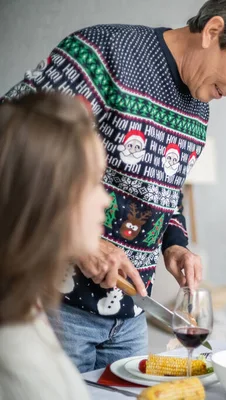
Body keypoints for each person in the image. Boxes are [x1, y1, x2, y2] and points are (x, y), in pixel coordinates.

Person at [1, 0, 226, 372]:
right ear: (213, 32)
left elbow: (165, 193)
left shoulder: (199, 108)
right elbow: (11, 141)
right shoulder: (105, 53)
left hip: (130, 317)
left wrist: (175, 244)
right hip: (53, 306)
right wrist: (80, 241)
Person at [0, 92, 110, 399]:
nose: (106, 199)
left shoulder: (27, 307)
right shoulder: (16, 361)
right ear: (48, 196)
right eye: (93, 182)